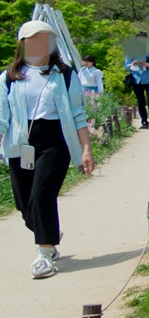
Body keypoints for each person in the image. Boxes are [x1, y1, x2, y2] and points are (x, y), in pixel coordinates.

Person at [4, 20, 96, 279]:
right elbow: (2, 117)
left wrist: (86, 148)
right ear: (22, 44)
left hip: (56, 142)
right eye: (35, 39)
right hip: (21, 145)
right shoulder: (9, 77)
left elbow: (78, 114)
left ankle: (44, 256)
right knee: (25, 206)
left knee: (41, 195)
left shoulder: (65, 75)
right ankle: (49, 236)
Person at [123, 34, 149, 129]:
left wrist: (147, 64)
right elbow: (126, 65)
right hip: (136, 79)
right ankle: (144, 121)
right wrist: (132, 64)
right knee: (140, 101)